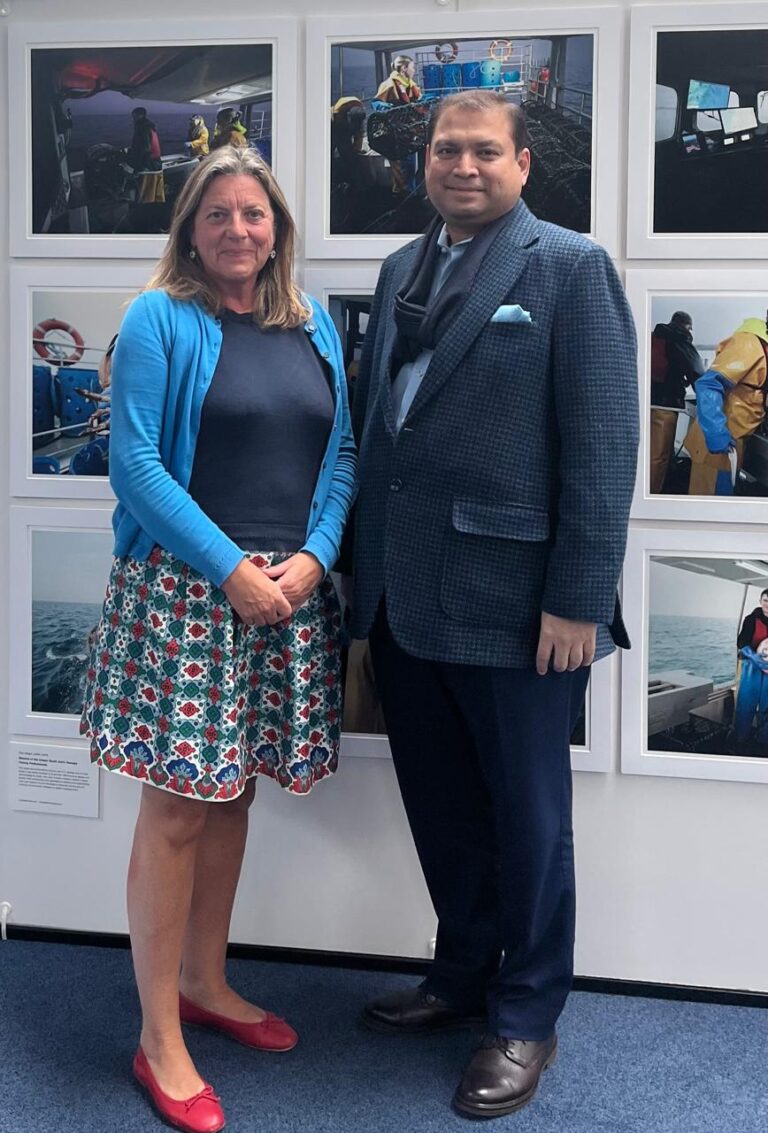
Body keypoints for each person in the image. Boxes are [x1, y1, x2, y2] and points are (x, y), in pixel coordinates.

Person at [348, 91, 638, 1119]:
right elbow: (387, 434)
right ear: (422, 162)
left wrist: (577, 599)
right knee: (441, 807)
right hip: (403, 597)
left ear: (522, 163)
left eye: (482, 151)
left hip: (520, 606)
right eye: (444, 150)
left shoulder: (568, 267)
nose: (460, 165)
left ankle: (524, 1015)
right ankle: (461, 974)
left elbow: (603, 449)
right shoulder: (399, 269)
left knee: (528, 819)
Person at [80, 145, 356, 1133]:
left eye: (255, 214)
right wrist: (229, 568)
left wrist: (316, 558)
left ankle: (205, 979)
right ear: (190, 231)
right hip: (191, 596)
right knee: (180, 811)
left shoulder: (311, 318)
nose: (239, 230)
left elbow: (342, 454)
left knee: (234, 791)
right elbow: (137, 467)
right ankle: (160, 1036)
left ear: (275, 225)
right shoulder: (159, 317)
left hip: (284, 597)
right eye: (219, 215)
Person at [683, 312, 768, 495]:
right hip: (718, 441)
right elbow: (709, 384)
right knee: (709, 509)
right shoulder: (749, 343)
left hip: (736, 440)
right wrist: (715, 432)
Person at [649, 311, 705, 493]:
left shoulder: (653, 337)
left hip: (644, 403)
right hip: (664, 405)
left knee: (646, 451)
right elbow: (697, 371)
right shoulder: (679, 338)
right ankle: (653, 495)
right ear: (687, 326)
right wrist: (708, 401)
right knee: (659, 456)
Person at [375, 55, 423, 195]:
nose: (414, 70)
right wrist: (383, 106)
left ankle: (411, 194)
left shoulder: (410, 84)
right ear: (404, 68)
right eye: (412, 67)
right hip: (395, 134)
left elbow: (417, 101)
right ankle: (402, 197)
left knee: (411, 168)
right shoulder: (389, 85)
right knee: (400, 170)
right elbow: (375, 102)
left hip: (410, 132)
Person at [734, 639, 768, 752]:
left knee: (766, 710)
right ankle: (740, 741)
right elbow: (741, 647)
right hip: (752, 667)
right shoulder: (751, 620)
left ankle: (764, 743)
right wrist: (751, 655)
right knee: (745, 707)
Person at [126, 107, 165, 204]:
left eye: (134, 116)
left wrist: (138, 166)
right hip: (156, 163)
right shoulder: (150, 127)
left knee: (146, 198)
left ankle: (146, 214)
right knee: (155, 197)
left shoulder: (142, 127)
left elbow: (145, 148)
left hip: (149, 165)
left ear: (140, 115)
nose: (133, 118)